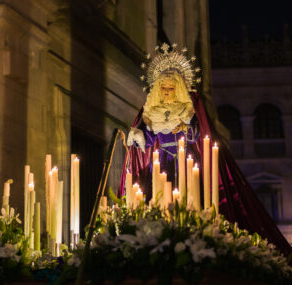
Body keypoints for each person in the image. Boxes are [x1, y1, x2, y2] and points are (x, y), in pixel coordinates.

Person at [121, 43, 291, 256]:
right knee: (159, 198)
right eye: (163, 88)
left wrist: (185, 128)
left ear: (178, 89)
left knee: (190, 196)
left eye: (170, 88)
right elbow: (145, 141)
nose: (166, 92)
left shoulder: (187, 109)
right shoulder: (150, 113)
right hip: (161, 164)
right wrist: (136, 135)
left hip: (186, 162)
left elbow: (196, 133)